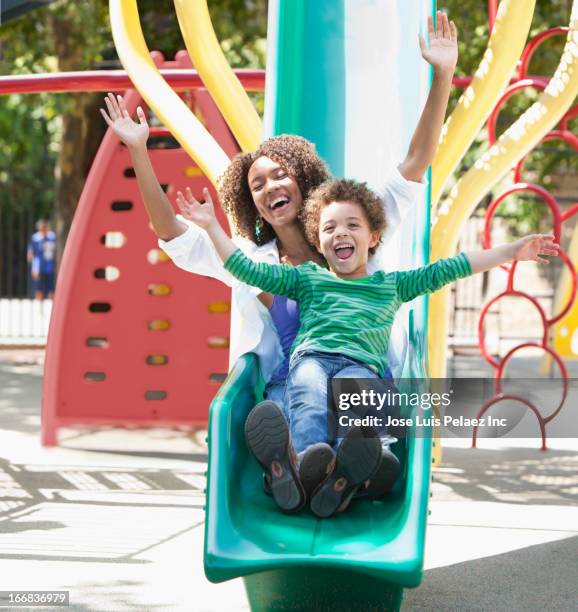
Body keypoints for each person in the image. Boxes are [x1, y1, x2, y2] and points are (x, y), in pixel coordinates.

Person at [100, 12, 459, 501]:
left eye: (280, 174)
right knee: (296, 402)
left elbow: (415, 167)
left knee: (357, 403)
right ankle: (312, 472)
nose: (270, 187)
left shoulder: (347, 233)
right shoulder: (250, 259)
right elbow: (173, 236)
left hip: (358, 379)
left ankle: (328, 473)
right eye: (257, 185)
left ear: (303, 178)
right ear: (254, 205)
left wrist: (441, 77)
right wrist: (140, 151)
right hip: (298, 386)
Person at [176, 178, 560, 517]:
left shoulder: (391, 285)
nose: (340, 233)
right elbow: (247, 271)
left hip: (362, 367)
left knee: (363, 397)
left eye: (351, 225)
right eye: (329, 228)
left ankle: (348, 468)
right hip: (312, 358)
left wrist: (510, 252)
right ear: (320, 241)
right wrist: (211, 227)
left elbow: (452, 267)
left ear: (373, 236)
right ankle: (311, 463)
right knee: (307, 392)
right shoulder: (307, 278)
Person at [27, 219, 57, 300]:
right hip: (38, 265)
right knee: (38, 286)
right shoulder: (35, 238)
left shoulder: (52, 237)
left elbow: (55, 251)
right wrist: (32, 266)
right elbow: (31, 251)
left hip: (49, 265)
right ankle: (39, 305)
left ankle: (51, 303)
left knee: (51, 286)